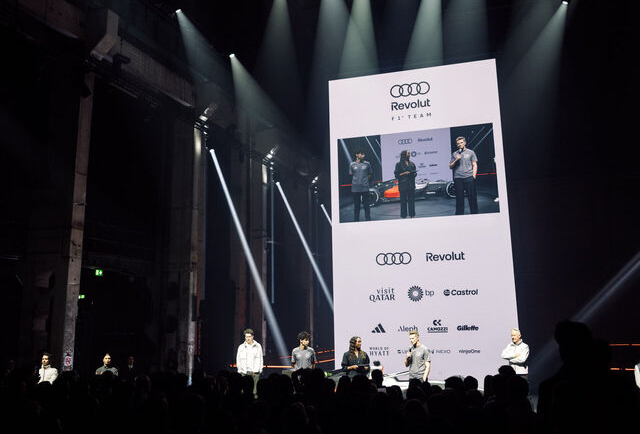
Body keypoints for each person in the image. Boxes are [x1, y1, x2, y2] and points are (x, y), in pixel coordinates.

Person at [449, 136, 478, 215]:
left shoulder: (471, 152)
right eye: (458, 143)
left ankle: (475, 215)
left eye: (461, 143)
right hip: (458, 178)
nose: (460, 144)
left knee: (472, 199)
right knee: (459, 200)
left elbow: (474, 165)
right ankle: (459, 217)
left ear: (465, 143)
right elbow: (450, 166)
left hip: (469, 178)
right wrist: (456, 159)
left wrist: (473, 177)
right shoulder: (455, 154)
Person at [236, 328, 263, 394]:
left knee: (254, 391)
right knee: (244, 390)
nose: (247, 338)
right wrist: (239, 370)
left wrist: (260, 370)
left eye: (249, 336)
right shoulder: (241, 347)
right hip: (244, 372)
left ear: (252, 337)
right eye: (246, 337)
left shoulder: (258, 346)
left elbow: (261, 358)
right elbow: (238, 359)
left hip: (255, 372)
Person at [349, 149, 372, 221]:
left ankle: (368, 219)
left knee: (366, 205)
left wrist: (364, 181)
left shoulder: (367, 164)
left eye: (363, 154)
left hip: (365, 188)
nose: (363, 155)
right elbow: (351, 174)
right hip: (355, 189)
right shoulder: (352, 164)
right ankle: (356, 220)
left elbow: (370, 174)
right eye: (361, 154)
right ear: (357, 155)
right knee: (356, 206)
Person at [394, 149, 417, 218]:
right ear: (404, 155)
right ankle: (404, 216)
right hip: (403, 185)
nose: (409, 155)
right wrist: (404, 173)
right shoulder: (398, 164)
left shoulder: (412, 164)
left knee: (411, 201)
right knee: (403, 201)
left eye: (409, 153)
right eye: (408, 153)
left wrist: (413, 173)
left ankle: (412, 215)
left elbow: (415, 173)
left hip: (411, 185)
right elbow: (396, 175)